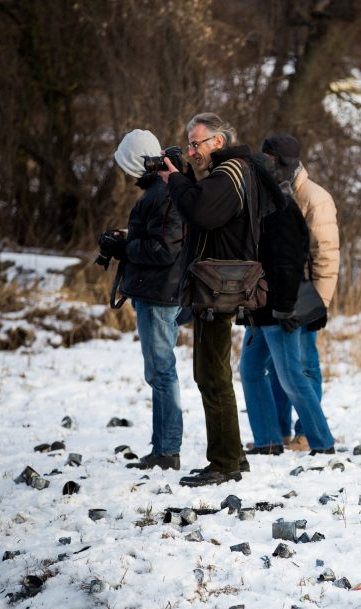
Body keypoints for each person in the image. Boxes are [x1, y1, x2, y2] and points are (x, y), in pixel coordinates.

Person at [158, 112, 260, 487]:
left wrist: (178, 183)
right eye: (187, 144)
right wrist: (182, 179)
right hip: (214, 285)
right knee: (213, 373)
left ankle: (225, 462)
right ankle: (232, 456)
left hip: (219, 287)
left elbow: (201, 210)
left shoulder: (230, 174)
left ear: (218, 142)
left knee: (212, 375)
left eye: (196, 144)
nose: (191, 151)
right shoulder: (223, 175)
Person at [237, 154, 337, 456]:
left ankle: (322, 442)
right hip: (260, 309)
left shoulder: (280, 211)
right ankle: (268, 439)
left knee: (292, 376)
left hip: (279, 310)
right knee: (251, 369)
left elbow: (289, 265)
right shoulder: (258, 209)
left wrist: (285, 309)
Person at [106, 129, 185, 471]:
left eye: (126, 166)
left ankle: (167, 451)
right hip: (155, 290)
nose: (124, 175)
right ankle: (163, 448)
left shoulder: (163, 194)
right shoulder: (160, 192)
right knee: (159, 372)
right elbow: (157, 238)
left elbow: (164, 249)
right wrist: (126, 239)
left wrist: (124, 247)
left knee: (162, 372)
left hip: (159, 294)